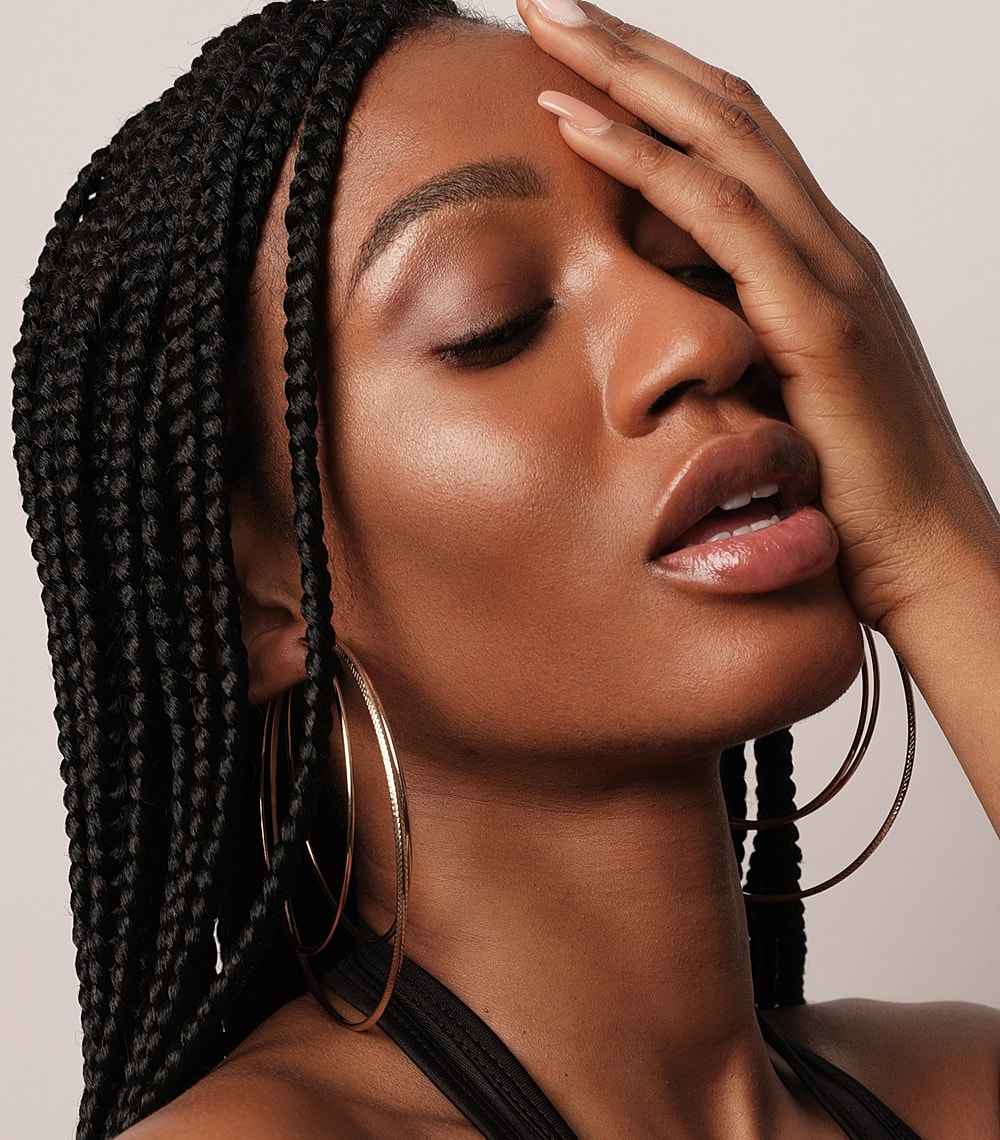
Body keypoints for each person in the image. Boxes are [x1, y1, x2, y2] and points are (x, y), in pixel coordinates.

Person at [12, 0, 1000, 1136]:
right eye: (494, 321)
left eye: (700, 263)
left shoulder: (959, 1086)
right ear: (263, 591)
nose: (700, 337)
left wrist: (939, 546)